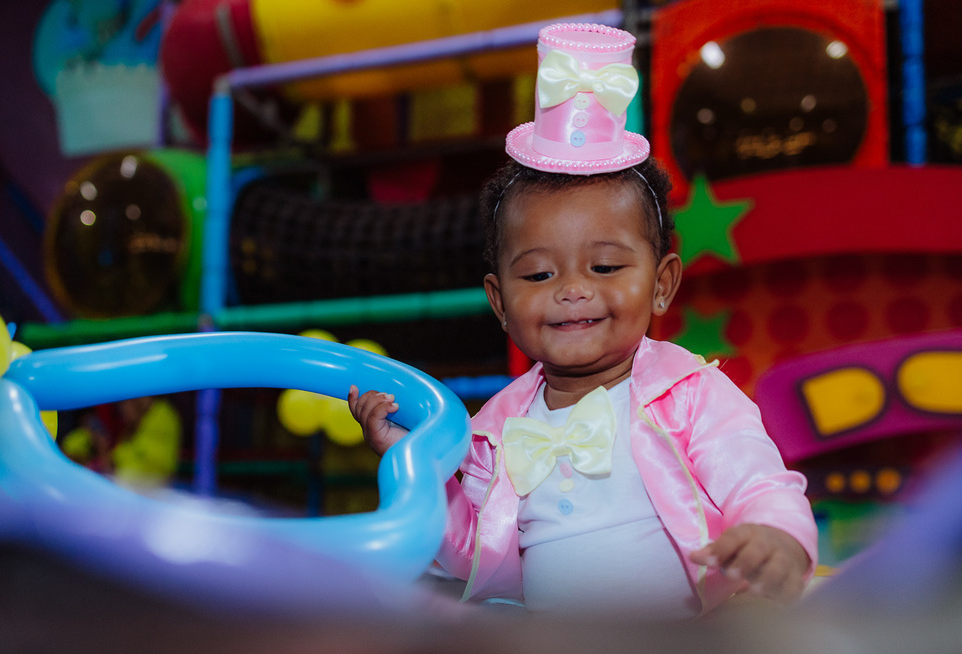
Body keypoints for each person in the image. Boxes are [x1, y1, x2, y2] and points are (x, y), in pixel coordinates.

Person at [349, 22, 817, 617]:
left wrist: (776, 534)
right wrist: (414, 466)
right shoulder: (495, 430)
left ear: (662, 284)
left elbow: (758, 482)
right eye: (540, 275)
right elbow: (470, 558)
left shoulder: (691, 396)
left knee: (761, 629)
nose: (572, 290)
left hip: (689, 642)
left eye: (603, 266)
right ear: (499, 302)